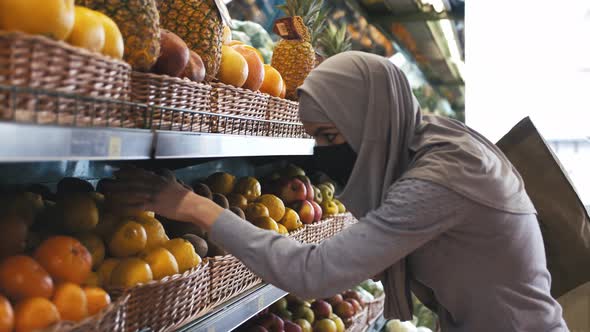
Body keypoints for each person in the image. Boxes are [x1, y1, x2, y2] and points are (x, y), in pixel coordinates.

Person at [105, 52, 568, 331]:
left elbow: (314, 273)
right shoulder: (426, 139)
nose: (326, 154)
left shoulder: (438, 178)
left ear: (370, 119)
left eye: (331, 136)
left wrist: (192, 206)